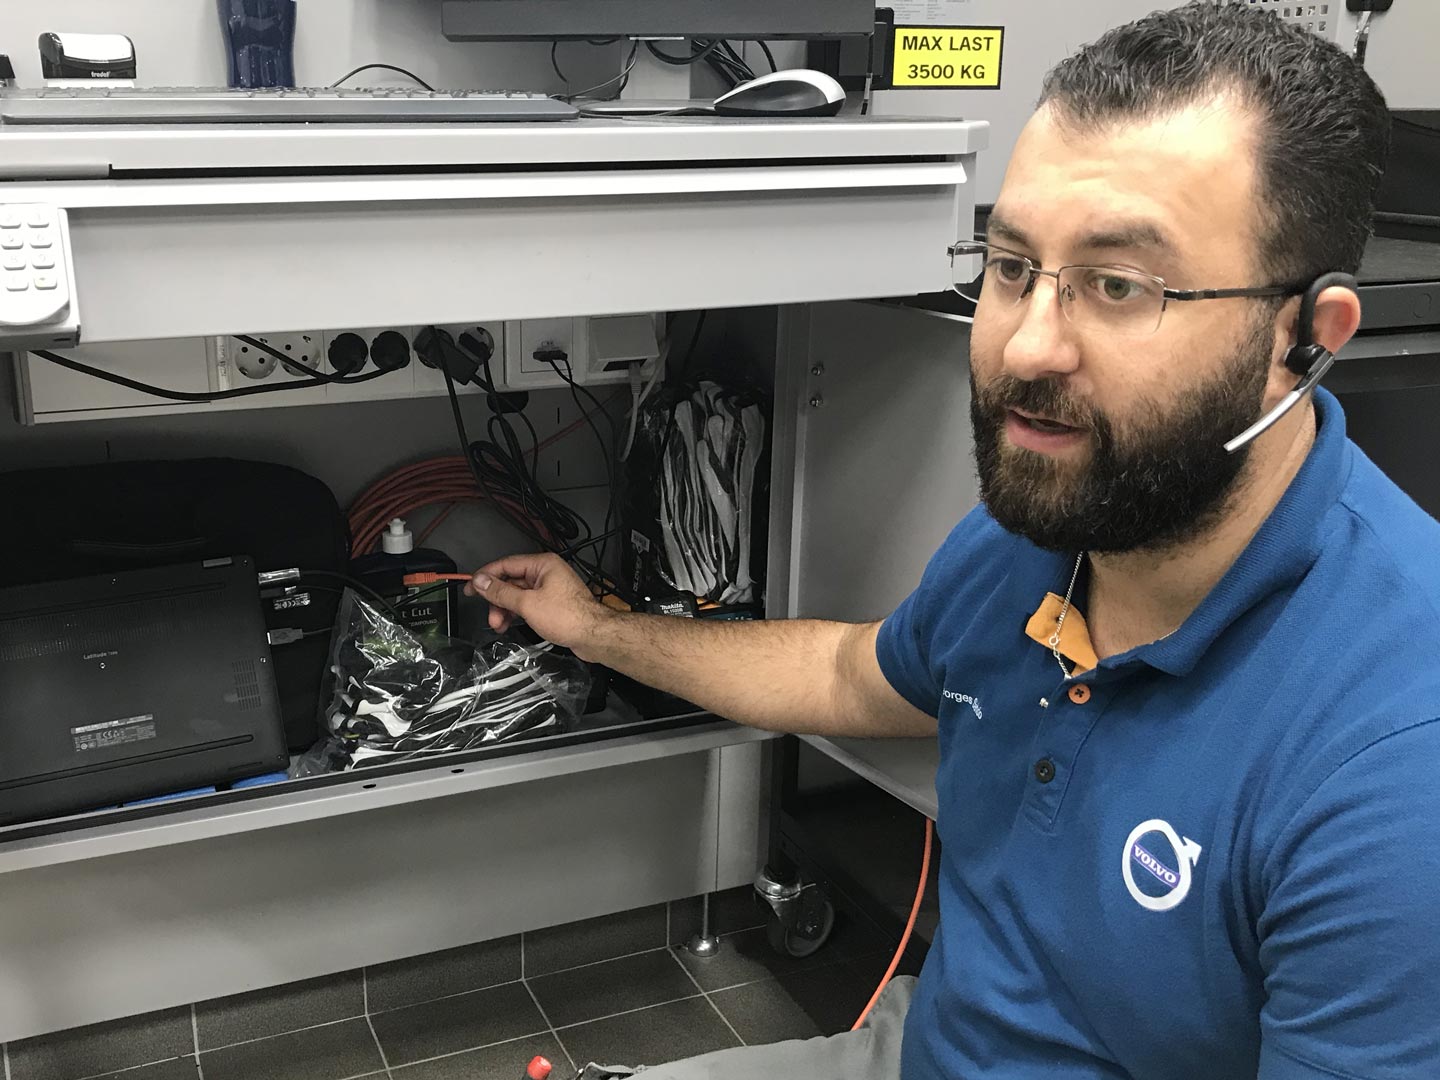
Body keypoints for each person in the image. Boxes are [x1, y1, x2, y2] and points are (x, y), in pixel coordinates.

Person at [469, 4, 1440, 1077]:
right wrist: (598, 628)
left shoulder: (1396, 767)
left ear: (1306, 338)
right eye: (1012, 263)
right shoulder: (1052, 529)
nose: (1026, 344)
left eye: (1119, 286)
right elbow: (848, 674)